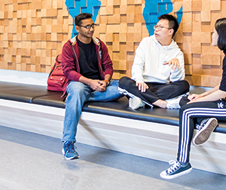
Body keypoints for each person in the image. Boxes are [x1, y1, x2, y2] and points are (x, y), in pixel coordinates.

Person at [160, 18, 226, 179]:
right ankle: (205, 122)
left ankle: (183, 162)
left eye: (215, 32)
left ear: (223, 35)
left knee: (186, 110)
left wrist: (197, 102)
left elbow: (222, 93)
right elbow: (221, 86)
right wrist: (201, 96)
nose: (212, 35)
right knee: (186, 100)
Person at [60, 13, 122, 160]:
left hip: (98, 84)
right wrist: (90, 82)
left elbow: (108, 65)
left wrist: (105, 82)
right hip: (80, 83)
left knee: (124, 85)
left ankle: (82, 98)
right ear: (77, 28)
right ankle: (68, 142)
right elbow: (68, 72)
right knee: (77, 90)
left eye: (92, 25)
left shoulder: (99, 44)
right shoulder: (69, 46)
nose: (91, 29)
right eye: (87, 26)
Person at [118, 14, 189, 110]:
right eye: (156, 26)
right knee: (123, 81)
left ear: (170, 31)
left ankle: (143, 100)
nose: (156, 29)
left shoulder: (177, 53)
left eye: (160, 27)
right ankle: (161, 103)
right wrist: (139, 80)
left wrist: (176, 67)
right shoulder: (146, 42)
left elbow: (177, 81)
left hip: (162, 87)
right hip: (143, 85)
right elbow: (137, 65)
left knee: (184, 85)